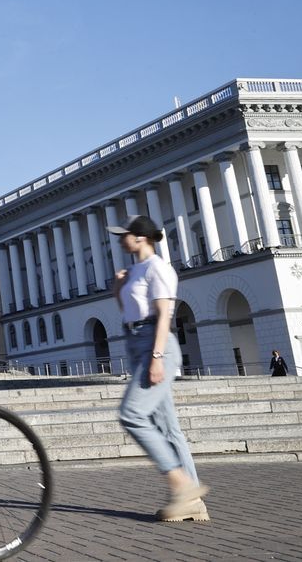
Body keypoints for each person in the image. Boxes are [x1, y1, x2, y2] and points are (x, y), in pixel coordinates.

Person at [108, 214, 209, 522]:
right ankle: (193, 502)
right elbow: (129, 312)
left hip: (157, 345)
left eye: (124, 234)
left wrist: (156, 357)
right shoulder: (133, 271)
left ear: (140, 237)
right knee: (168, 429)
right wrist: (118, 288)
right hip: (137, 343)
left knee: (131, 414)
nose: (119, 239)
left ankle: (182, 486)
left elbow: (164, 315)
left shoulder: (158, 268)